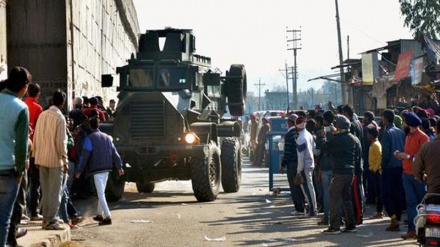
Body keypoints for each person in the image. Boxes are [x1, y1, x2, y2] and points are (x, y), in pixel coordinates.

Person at [75, 112, 124, 225]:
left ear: (90, 126)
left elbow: (84, 156)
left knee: (100, 193)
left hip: (97, 169)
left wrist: (79, 170)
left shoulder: (90, 138)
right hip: (107, 168)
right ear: (99, 125)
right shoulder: (107, 138)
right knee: (101, 192)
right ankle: (99, 214)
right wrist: (119, 166)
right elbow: (115, 153)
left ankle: (107, 216)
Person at [0, 67, 30, 246]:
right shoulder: (21, 108)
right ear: (24, 87)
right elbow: (21, 146)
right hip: (9, 171)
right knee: (4, 218)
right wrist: (20, 171)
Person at [33, 89, 69, 230]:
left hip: (41, 158)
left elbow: (36, 136)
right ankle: (51, 220)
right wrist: (65, 160)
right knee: (54, 192)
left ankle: (46, 219)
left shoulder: (42, 115)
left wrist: (35, 154)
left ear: (52, 100)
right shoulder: (60, 118)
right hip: (55, 159)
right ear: (63, 103)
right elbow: (61, 143)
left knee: (46, 190)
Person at [323, 114, 360, 235]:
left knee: (334, 196)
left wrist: (327, 135)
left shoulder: (336, 139)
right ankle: (350, 225)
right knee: (346, 197)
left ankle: (334, 226)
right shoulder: (354, 138)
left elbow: (325, 148)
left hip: (339, 172)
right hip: (351, 172)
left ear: (338, 127)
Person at [396, 112, 429, 239]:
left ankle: (421, 230)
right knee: (410, 202)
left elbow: (424, 158)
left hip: (418, 175)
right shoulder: (408, 136)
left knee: (420, 204)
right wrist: (402, 156)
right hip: (407, 173)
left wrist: (408, 156)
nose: (403, 123)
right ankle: (412, 229)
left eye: (405, 121)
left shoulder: (423, 137)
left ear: (409, 123)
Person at [380, 109, 406, 232]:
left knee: (385, 193)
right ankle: (397, 218)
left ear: (385, 119)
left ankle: (393, 218)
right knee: (397, 193)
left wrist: (382, 166)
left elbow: (385, 152)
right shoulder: (400, 132)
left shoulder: (387, 132)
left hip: (390, 167)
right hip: (401, 166)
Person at [24, 82, 44, 221]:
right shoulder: (38, 108)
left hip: (21, 147)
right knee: (35, 182)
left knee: (22, 182)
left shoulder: (22, 104)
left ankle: (23, 211)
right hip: (34, 149)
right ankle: (35, 212)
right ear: (38, 94)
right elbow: (39, 131)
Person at [342, 104, 364, 225]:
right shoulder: (357, 123)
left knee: (355, 193)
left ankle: (358, 217)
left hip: (354, 164)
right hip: (357, 162)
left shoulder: (353, 125)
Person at [280, 114, 305, 216]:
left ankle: (299, 209)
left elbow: (288, 151)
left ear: (290, 122)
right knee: (300, 186)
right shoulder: (299, 132)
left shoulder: (289, 134)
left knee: (294, 186)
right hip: (301, 163)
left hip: (292, 164)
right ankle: (302, 207)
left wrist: (283, 164)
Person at [315, 110, 335, 225]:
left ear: (325, 120)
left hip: (325, 166)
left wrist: (321, 138)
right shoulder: (336, 131)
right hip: (336, 165)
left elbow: (318, 151)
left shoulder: (320, 133)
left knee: (327, 192)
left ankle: (327, 217)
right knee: (337, 193)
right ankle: (338, 217)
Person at [295, 116, 317, 216]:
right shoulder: (308, 135)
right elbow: (314, 148)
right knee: (310, 187)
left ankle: (313, 209)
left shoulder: (300, 139)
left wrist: (298, 171)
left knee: (308, 189)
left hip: (305, 166)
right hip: (310, 164)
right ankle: (312, 208)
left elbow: (301, 157)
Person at [413, 118, 440, 193]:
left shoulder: (426, 147)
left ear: (436, 130)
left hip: (433, 191)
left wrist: (423, 178)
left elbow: (416, 169)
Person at [366, 125, 384, 219]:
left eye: (368, 134)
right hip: (373, 170)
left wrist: (374, 169)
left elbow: (380, 158)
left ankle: (379, 212)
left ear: (371, 135)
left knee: (378, 192)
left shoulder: (376, 145)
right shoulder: (374, 144)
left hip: (376, 171)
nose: (367, 136)